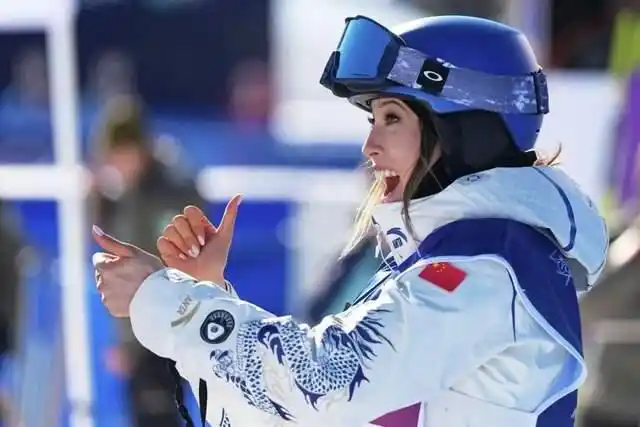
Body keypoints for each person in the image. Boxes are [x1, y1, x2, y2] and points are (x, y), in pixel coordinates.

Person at [92, 15, 610, 427]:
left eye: (392, 118)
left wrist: (165, 301)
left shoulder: (487, 271)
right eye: (372, 120)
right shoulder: (449, 262)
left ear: (465, 130)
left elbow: (323, 385)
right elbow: (293, 412)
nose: (370, 146)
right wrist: (207, 292)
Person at [89, 95, 205, 427]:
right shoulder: (124, 195)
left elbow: (178, 265)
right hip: (142, 336)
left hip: (169, 331)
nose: (118, 165)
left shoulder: (168, 192)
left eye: (122, 155)